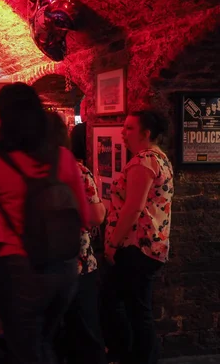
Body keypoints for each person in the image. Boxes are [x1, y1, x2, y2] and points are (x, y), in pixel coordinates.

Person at [0, 83, 95, 364]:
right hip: (64, 269)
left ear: (3, 118)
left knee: (25, 349)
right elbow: (85, 218)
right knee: (43, 343)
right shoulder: (63, 158)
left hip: (18, 270)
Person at [102, 110, 174, 364]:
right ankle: (131, 355)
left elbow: (133, 208)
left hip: (136, 247)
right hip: (150, 246)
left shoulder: (143, 162)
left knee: (130, 308)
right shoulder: (160, 159)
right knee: (131, 306)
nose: (123, 132)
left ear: (146, 133)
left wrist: (112, 244)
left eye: (129, 128)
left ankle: (136, 356)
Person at [48, 112, 107, 364]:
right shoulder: (77, 171)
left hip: (41, 264)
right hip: (78, 262)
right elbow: (95, 216)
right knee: (86, 332)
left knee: (50, 335)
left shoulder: (25, 172)